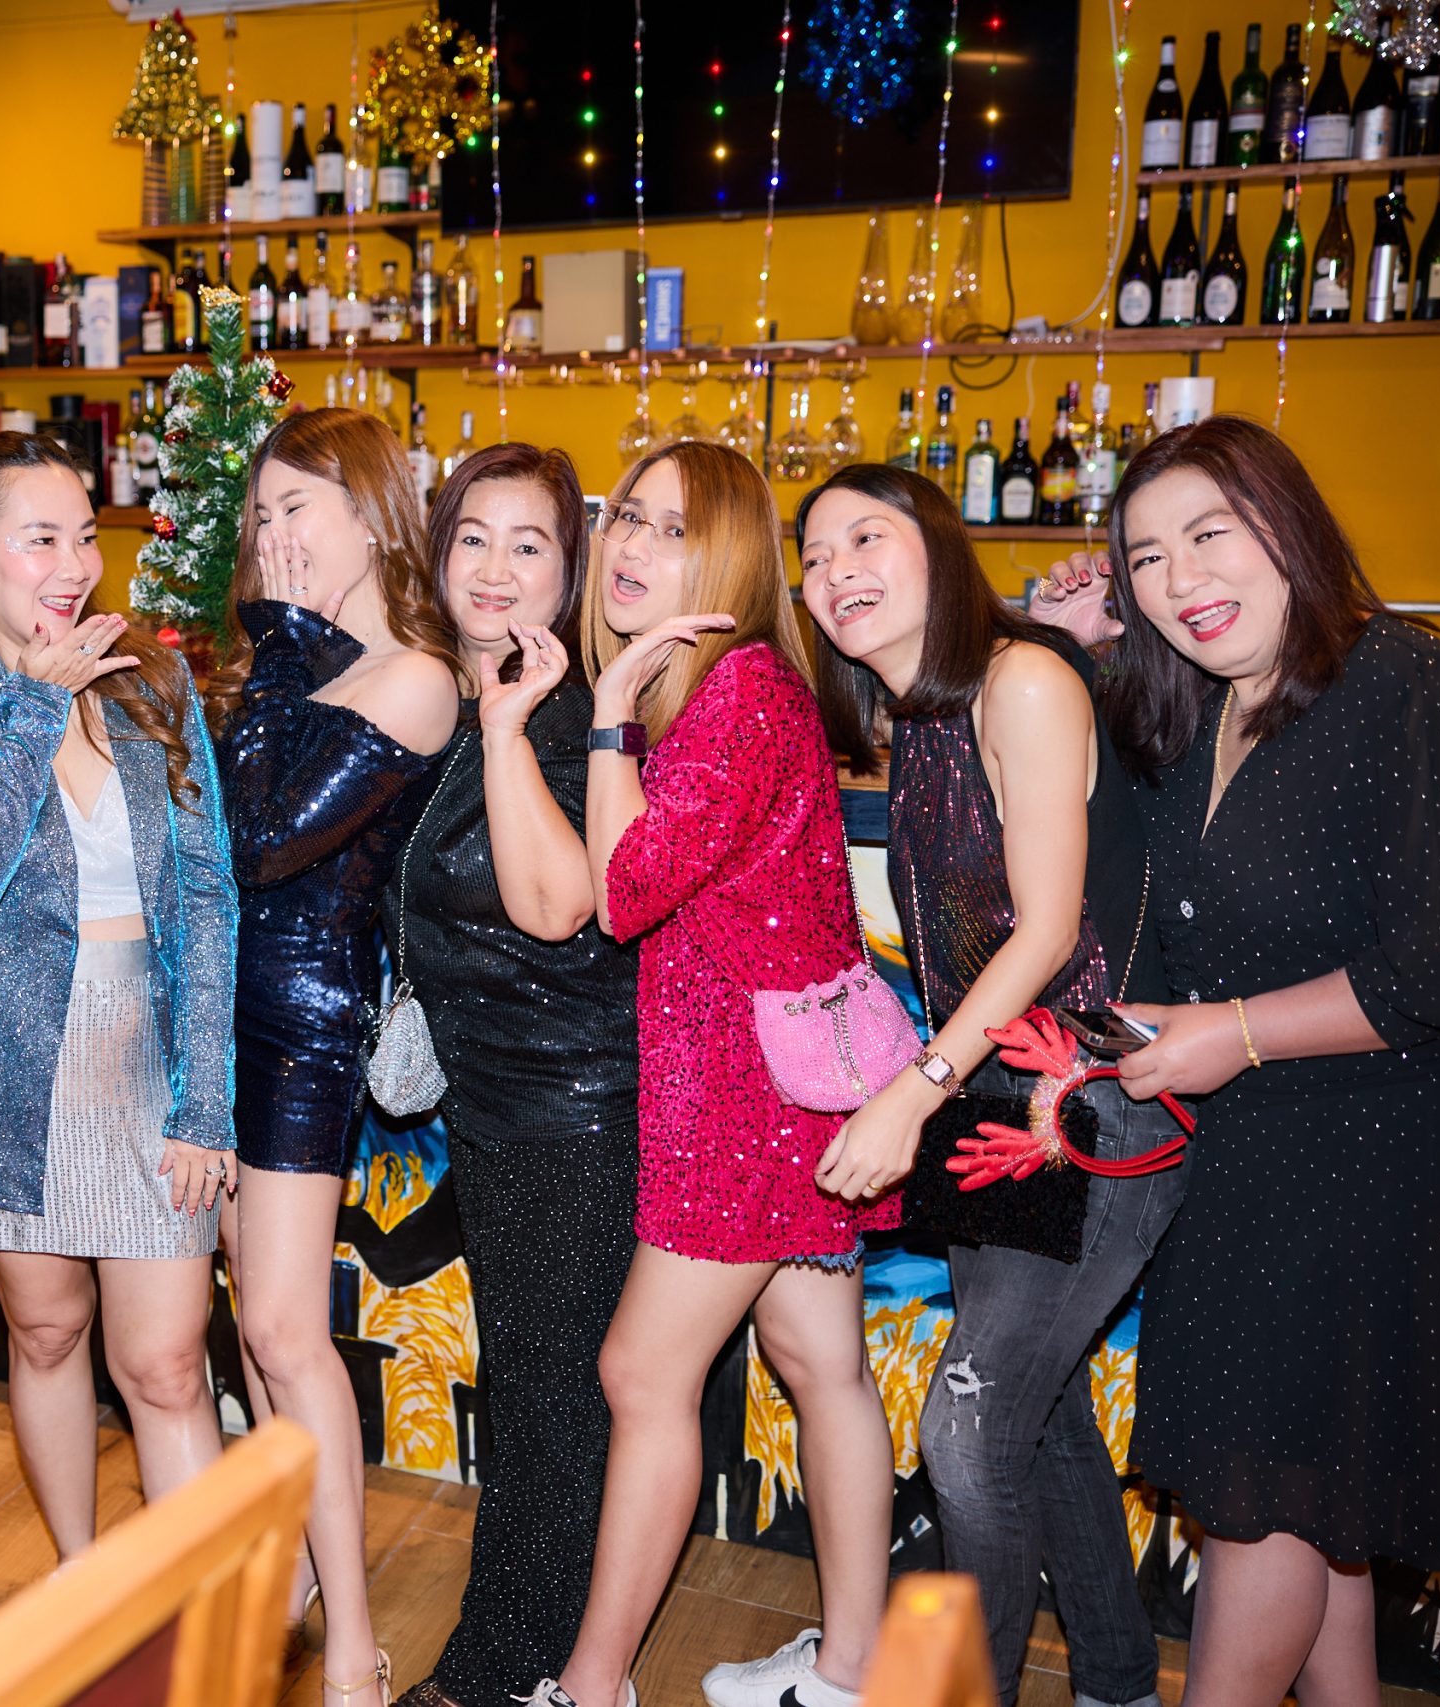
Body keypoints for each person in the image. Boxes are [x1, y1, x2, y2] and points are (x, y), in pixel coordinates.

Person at [1037, 417, 1440, 1707]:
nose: (1180, 580)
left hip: (1391, 1158)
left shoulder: (1414, 692)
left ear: (1288, 527)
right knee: (1309, 1497)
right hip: (1260, 1153)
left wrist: (1235, 1031)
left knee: (1258, 1498)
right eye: (1145, 558)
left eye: (1208, 534)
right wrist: (1068, 649)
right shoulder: (1198, 704)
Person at [796, 464, 1180, 1707]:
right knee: (1035, 1414)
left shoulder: (1019, 680)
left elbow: (1049, 930)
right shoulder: (928, 711)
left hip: (1100, 1098)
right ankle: (1117, 1679)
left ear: (938, 551)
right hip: (1005, 1099)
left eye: (866, 538)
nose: (835, 571)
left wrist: (913, 1090)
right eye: (815, 557)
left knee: (964, 1429)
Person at [524, 443, 893, 1707]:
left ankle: (591, 1687)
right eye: (626, 517)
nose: (630, 546)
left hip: (745, 1100)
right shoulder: (746, 688)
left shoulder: (734, 693)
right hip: (783, 1087)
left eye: (671, 530)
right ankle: (849, 1671)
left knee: (641, 1376)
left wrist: (609, 716)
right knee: (821, 1368)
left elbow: (622, 895)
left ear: (729, 555)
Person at [0, 432, 238, 1555]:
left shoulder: (154, 678)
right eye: (40, 540)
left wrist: (206, 1100)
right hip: (9, 1073)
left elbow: (210, 898)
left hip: (148, 1057)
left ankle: (204, 1630)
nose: (75, 565)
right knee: (45, 1335)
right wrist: (37, 706)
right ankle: (82, 1594)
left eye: (84, 536)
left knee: (166, 1362)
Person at [378, 445, 638, 1707]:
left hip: (571, 1111)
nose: (492, 568)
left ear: (569, 570)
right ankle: (543, 1653)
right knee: (538, 1389)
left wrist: (499, 728)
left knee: (546, 1404)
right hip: (499, 1108)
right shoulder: (462, 695)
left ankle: (498, 1673)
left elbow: (555, 906)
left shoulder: (566, 715)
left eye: (527, 544)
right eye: (470, 538)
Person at [214, 407, 463, 1707]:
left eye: (296, 507)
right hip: (217, 1015)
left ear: (371, 516)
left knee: (284, 1328)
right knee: (253, 1336)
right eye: (260, 514)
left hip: (302, 1024)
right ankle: (300, 1575)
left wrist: (277, 642)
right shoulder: (300, 659)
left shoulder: (416, 673)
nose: (273, 535)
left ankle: (355, 1642)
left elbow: (261, 839)